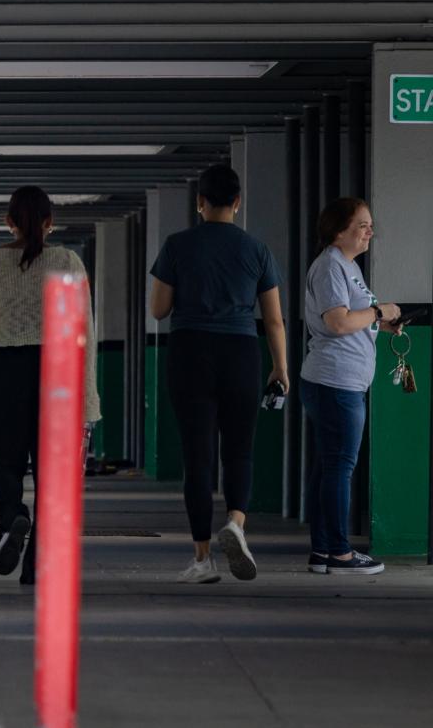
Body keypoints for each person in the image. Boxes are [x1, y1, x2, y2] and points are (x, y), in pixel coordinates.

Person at [148, 164, 288, 585]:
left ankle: (202, 559)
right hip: (242, 352)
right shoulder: (257, 249)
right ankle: (237, 524)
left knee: (198, 457)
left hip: (190, 350)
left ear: (200, 203)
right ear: (238, 203)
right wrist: (280, 367)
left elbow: (158, 310)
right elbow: (275, 320)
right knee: (240, 450)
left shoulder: (177, 245)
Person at [0, 185, 100, 586]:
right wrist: (88, 396)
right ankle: (35, 568)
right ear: (51, 223)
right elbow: (84, 332)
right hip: (57, 373)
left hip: (5, 371)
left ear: (9, 222)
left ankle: (12, 516)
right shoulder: (68, 260)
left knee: (3, 463)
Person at [300, 198, 401, 576]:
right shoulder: (330, 266)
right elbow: (337, 322)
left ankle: (323, 551)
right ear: (338, 230)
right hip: (335, 380)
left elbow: (351, 319)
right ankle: (340, 553)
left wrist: (382, 323)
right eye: (362, 225)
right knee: (340, 466)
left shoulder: (347, 266)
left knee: (329, 466)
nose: (369, 231)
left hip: (342, 379)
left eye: (370, 224)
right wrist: (378, 311)